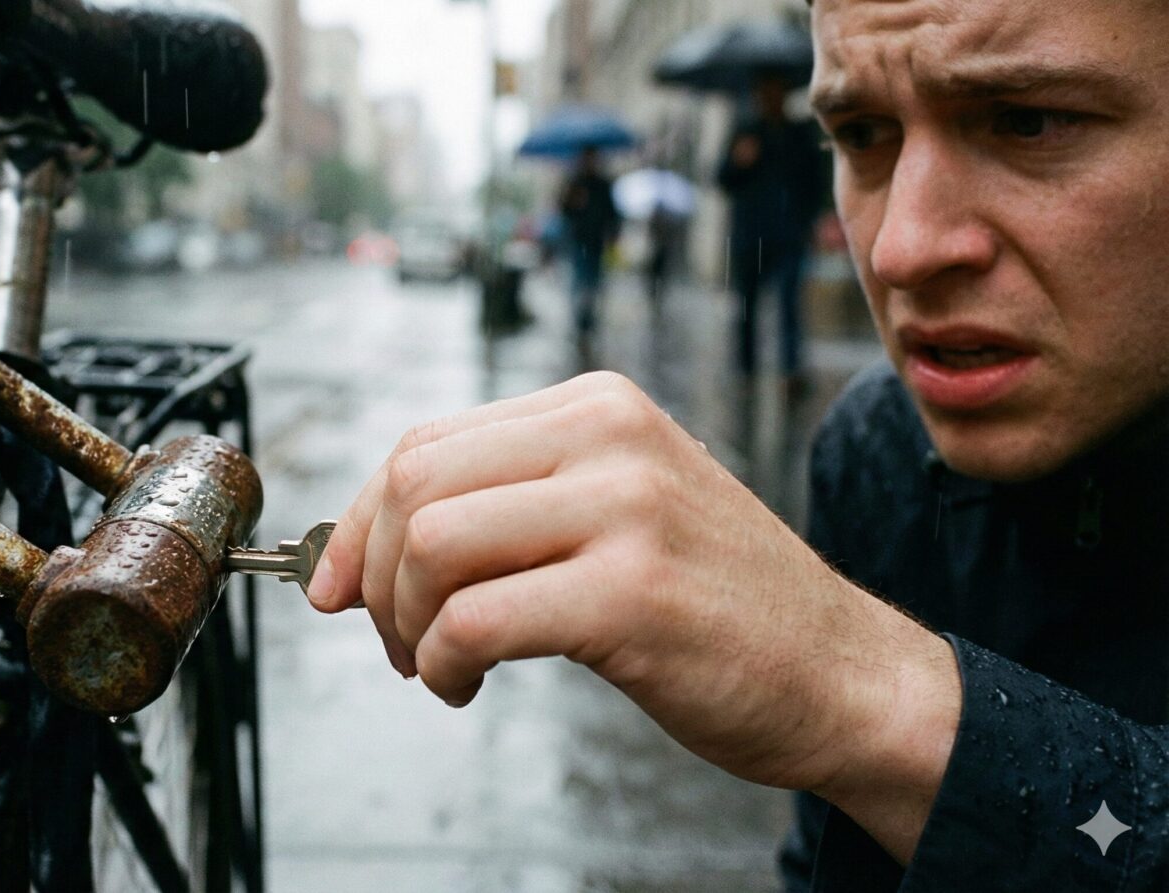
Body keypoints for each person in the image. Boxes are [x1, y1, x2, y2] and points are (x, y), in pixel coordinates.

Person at [305, 0, 1169, 889]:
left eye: (1027, 122)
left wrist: (869, 691)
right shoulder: (875, 447)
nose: (903, 247)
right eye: (863, 133)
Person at [718, 73, 826, 386]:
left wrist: (808, 221)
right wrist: (739, 162)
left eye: (775, 91)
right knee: (747, 305)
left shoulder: (798, 133)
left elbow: (814, 181)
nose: (769, 98)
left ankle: (791, 367)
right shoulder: (744, 133)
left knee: (790, 303)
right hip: (750, 235)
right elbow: (722, 179)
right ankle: (746, 367)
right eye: (764, 92)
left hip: (789, 233)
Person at [557, 145, 621, 338]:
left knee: (594, 281)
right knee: (580, 279)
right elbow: (564, 210)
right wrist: (573, 202)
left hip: (597, 241)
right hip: (579, 240)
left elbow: (612, 214)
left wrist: (613, 235)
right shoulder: (574, 183)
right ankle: (580, 318)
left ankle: (589, 317)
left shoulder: (603, 184)